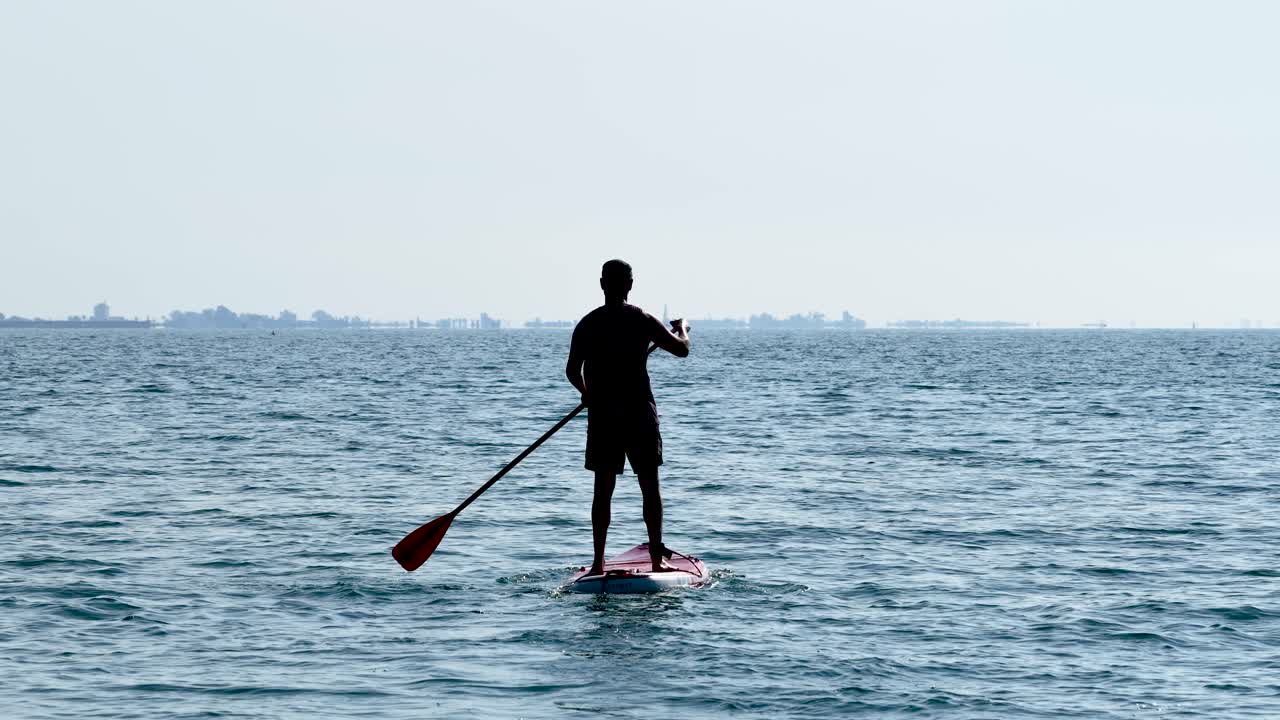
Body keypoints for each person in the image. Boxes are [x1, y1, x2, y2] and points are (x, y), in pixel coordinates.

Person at [565, 259, 691, 576]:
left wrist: (586, 392)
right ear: (630, 285)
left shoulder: (588, 323)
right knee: (650, 487)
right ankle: (656, 559)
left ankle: (598, 562)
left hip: (604, 416)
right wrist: (683, 330)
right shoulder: (642, 319)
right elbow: (682, 350)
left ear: (602, 284)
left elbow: (571, 370)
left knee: (602, 489)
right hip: (639, 415)